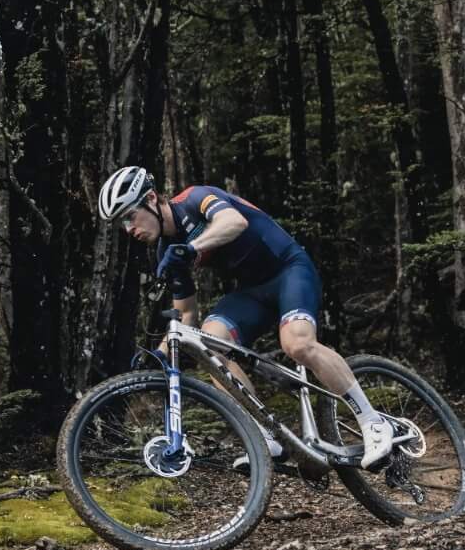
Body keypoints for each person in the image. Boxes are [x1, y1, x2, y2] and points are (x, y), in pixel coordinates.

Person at [98, 164, 394, 469]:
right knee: (209, 346)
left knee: (298, 345)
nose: (129, 229)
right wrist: (158, 355)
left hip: (289, 270)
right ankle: (265, 435)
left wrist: (191, 248)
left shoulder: (195, 198)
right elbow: (186, 313)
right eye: (121, 223)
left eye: (129, 216)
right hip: (252, 292)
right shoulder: (167, 252)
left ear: (150, 198)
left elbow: (233, 222)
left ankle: (374, 422)